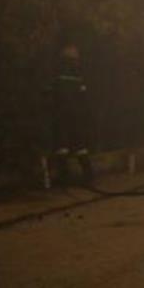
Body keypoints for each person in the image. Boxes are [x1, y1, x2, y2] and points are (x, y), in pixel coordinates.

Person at [49, 43, 93, 185]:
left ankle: (64, 179)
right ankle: (88, 176)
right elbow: (84, 95)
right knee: (80, 146)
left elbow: (51, 93)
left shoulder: (57, 71)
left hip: (61, 113)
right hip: (76, 114)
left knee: (63, 146)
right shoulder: (78, 73)